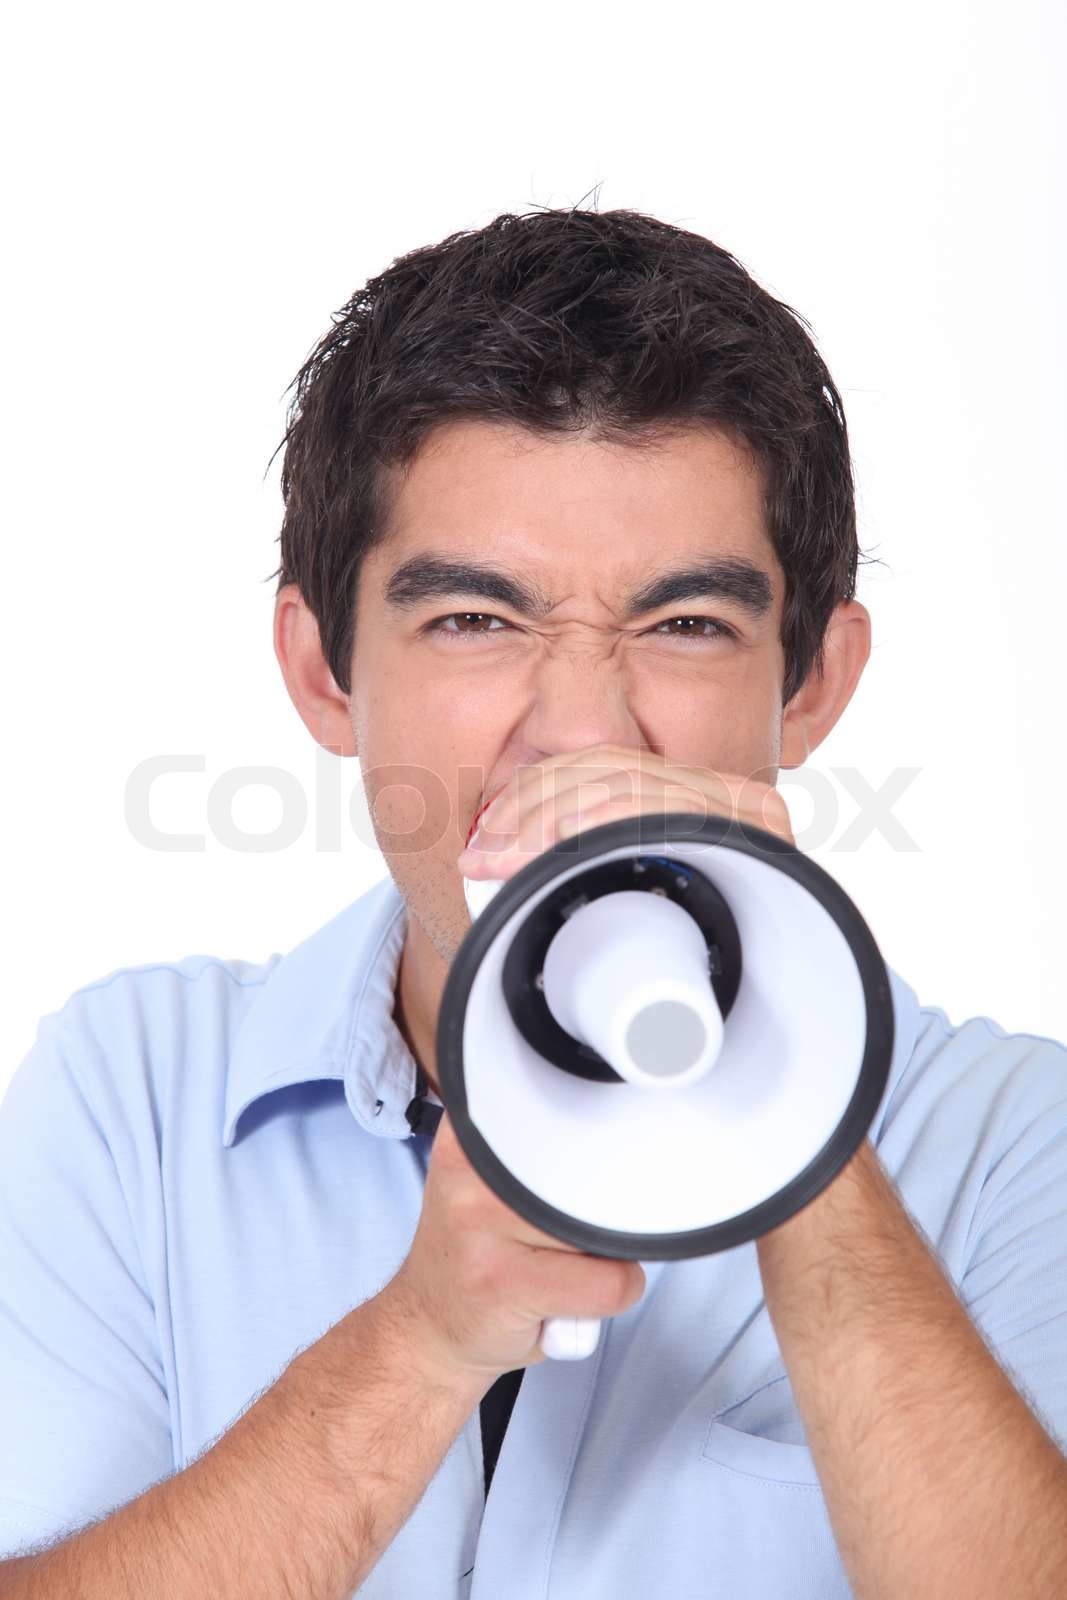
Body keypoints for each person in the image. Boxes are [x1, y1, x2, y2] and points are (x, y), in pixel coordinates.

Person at [1, 206, 1064, 1600]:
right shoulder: (132, 1092)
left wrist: (800, 1150)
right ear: (326, 674)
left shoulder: (1011, 1142)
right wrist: (422, 1344)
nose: (579, 730)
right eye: (475, 621)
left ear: (809, 685)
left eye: (685, 625)